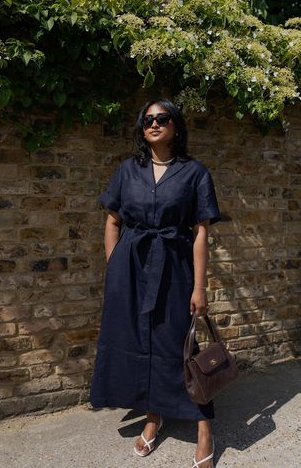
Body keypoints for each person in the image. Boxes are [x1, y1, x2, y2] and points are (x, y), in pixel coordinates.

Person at [89, 99, 221, 468]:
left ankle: (203, 426)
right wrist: (115, 266)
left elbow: (200, 234)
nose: (154, 123)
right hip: (130, 270)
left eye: (162, 118)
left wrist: (199, 287)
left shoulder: (195, 173)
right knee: (137, 343)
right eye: (147, 119)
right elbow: (113, 221)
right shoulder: (127, 171)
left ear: (176, 126)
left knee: (180, 347)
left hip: (174, 270)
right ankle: (153, 416)